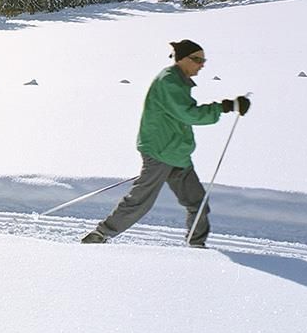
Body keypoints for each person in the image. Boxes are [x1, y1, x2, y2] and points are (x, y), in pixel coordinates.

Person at [81, 40, 250, 248]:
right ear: (182, 59)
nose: (202, 64)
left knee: (197, 201)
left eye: (203, 60)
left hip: (176, 152)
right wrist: (225, 106)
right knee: (140, 201)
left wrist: (229, 106)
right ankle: (100, 235)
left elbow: (182, 116)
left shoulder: (179, 81)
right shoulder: (169, 81)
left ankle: (197, 246)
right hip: (160, 151)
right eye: (197, 59)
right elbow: (189, 114)